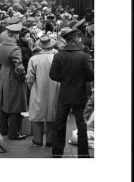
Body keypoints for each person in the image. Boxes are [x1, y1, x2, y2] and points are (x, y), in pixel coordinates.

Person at [49, 28, 94, 157]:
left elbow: (53, 75)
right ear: (75, 38)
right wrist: (81, 79)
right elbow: (91, 76)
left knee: (60, 124)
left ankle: (57, 152)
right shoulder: (84, 56)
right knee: (82, 125)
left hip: (64, 93)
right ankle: (83, 154)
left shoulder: (59, 55)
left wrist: (64, 79)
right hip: (80, 95)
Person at [26, 35, 59, 147]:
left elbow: (30, 78)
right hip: (54, 88)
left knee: (37, 115)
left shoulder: (34, 59)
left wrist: (31, 88)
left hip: (38, 88)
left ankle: (37, 140)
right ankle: (50, 140)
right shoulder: (56, 57)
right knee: (52, 114)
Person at [0, 23, 28, 140]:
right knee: (15, 105)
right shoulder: (15, 48)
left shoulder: (0, 45)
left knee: (4, 103)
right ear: (16, 35)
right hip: (13, 78)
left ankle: (3, 129)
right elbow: (19, 67)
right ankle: (13, 133)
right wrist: (23, 79)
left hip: (3, 75)